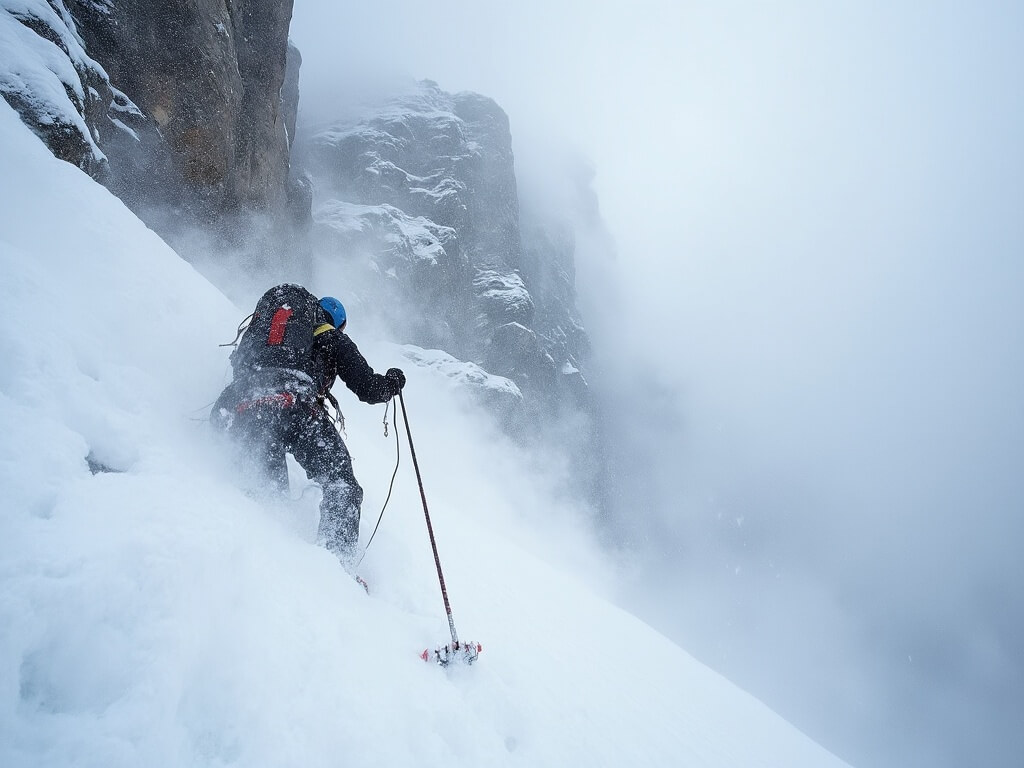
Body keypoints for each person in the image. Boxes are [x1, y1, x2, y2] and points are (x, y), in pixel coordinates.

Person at [211, 285, 406, 569]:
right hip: (296, 406)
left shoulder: (264, 331)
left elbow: (240, 368)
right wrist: (393, 382)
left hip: (244, 405)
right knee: (342, 485)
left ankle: (259, 566)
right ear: (338, 323)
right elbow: (368, 388)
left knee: (267, 502)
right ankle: (336, 570)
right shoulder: (329, 335)